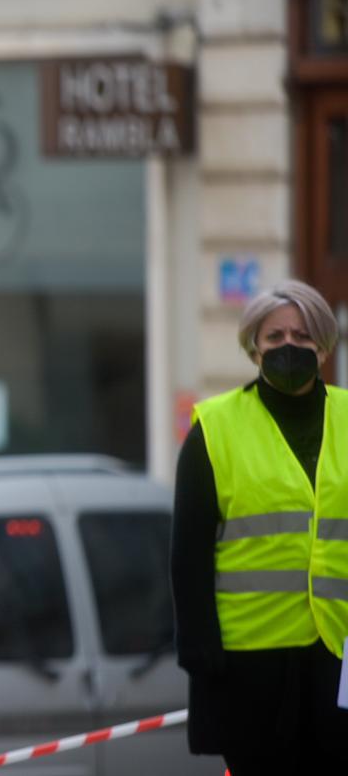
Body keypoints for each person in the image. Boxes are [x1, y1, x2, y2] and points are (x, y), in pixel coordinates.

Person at [171, 278, 348, 774]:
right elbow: (188, 555)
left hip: (339, 655)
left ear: (323, 347)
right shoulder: (215, 429)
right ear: (254, 349)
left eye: (302, 336)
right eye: (275, 337)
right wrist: (200, 654)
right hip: (250, 664)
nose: (289, 346)